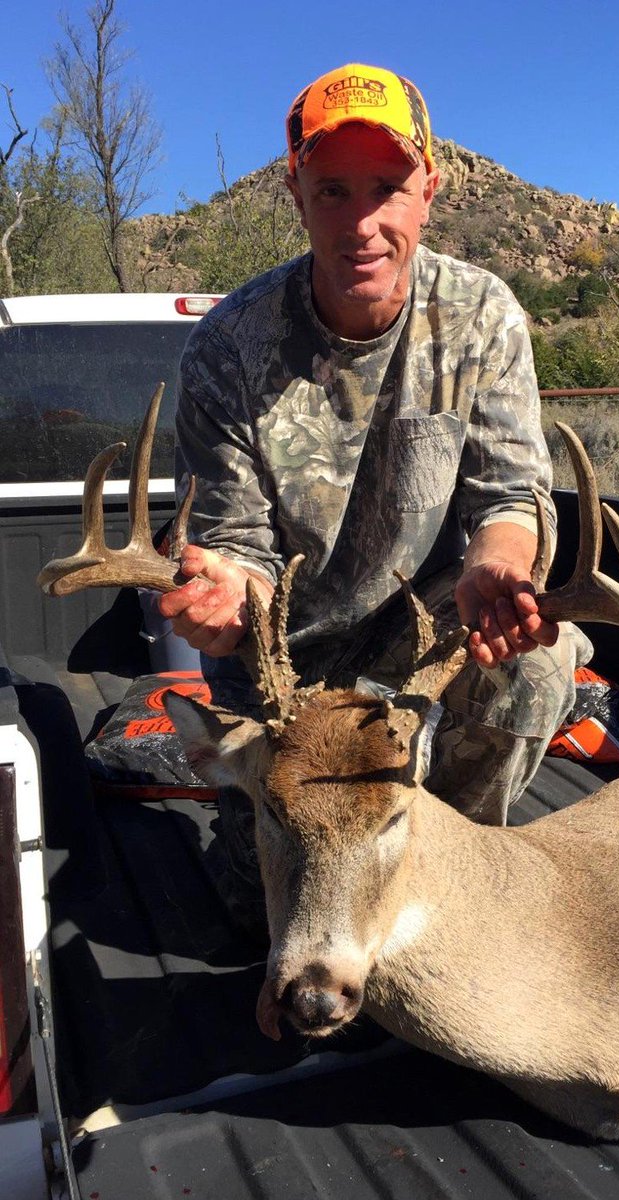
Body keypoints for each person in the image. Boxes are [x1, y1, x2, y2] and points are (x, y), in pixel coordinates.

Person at [159, 64, 590, 849]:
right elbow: (234, 541)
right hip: (280, 657)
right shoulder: (229, 346)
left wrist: (498, 563)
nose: (360, 223)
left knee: (530, 669)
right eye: (332, 191)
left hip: (423, 634)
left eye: (385, 187)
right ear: (297, 195)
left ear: (429, 188)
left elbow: (508, 492)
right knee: (253, 903)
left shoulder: (479, 315)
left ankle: (452, 873)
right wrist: (225, 591)